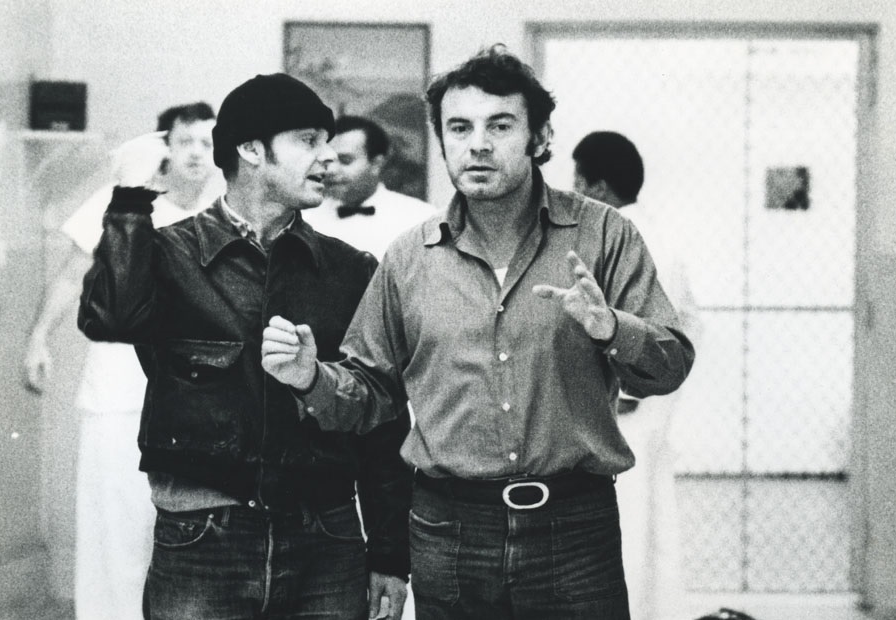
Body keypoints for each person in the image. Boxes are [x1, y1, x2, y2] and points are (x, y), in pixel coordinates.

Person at [262, 46, 695, 620]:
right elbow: (371, 393)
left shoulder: (604, 236)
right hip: (449, 531)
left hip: (574, 528)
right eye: (460, 127)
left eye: (501, 125)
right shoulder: (409, 259)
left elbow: (670, 365)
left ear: (540, 137)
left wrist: (612, 328)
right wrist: (311, 379)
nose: (479, 144)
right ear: (443, 141)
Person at [76, 74, 411, 620]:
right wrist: (131, 200)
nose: (327, 156)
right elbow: (108, 317)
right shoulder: (168, 254)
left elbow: (383, 416)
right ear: (252, 150)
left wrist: (391, 555)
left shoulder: (350, 269)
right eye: (308, 140)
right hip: (202, 538)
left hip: (326, 540)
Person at [23, 101, 222, 620]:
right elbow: (72, 276)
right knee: (114, 531)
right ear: (164, 147)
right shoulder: (119, 203)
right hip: (117, 397)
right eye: (185, 141)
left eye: (207, 142)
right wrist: (38, 337)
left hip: (196, 404)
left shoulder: (224, 215)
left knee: (184, 537)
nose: (196, 153)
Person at [573, 130, 701, 620]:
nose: (574, 192)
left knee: (624, 523)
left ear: (599, 186)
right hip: (651, 404)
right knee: (653, 521)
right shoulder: (662, 235)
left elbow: (645, 324)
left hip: (624, 406)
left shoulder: (619, 239)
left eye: (578, 180)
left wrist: (629, 388)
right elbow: (690, 323)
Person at [303, 115, 437, 259]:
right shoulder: (305, 219)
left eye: (345, 160)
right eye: (327, 161)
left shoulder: (420, 219)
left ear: (376, 164)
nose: (331, 171)